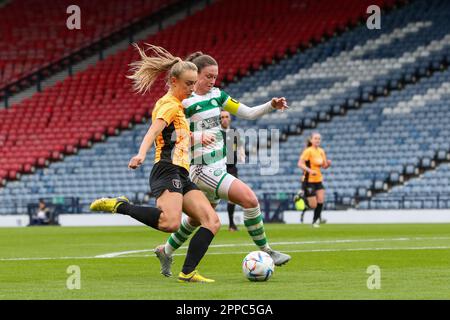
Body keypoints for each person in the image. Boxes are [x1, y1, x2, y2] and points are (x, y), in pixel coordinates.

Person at [90, 44, 220, 283]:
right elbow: (154, 130)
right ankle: (121, 206)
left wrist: (198, 137)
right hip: (166, 168)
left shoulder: (178, 106)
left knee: (211, 221)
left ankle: (188, 272)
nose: (192, 88)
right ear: (173, 81)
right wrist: (140, 153)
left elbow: (176, 136)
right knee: (170, 223)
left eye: (194, 83)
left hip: (181, 172)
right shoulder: (169, 104)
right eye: (188, 84)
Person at [154, 52, 291, 277]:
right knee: (250, 199)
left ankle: (165, 250)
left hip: (218, 164)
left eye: (215, 76)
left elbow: (247, 112)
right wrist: (196, 138)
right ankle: (267, 250)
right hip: (201, 167)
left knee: (196, 220)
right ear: (195, 75)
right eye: (208, 76)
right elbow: (171, 135)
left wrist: (270, 105)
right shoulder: (184, 103)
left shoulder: (218, 95)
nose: (212, 81)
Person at [297, 132, 331, 228]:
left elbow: (324, 166)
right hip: (308, 180)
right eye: (315, 138)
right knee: (313, 205)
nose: (317, 140)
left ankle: (315, 221)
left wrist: (328, 164)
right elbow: (300, 164)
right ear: (311, 140)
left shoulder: (321, 151)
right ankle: (301, 197)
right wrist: (310, 170)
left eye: (319, 139)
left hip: (318, 180)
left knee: (321, 199)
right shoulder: (308, 151)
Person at [220, 110, 245, 231]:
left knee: (232, 197)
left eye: (226, 117)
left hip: (231, 168)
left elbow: (240, 146)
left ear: (230, 119)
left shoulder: (234, 132)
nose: (224, 119)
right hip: (218, 167)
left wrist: (241, 155)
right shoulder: (216, 133)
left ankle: (231, 224)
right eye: (222, 117)